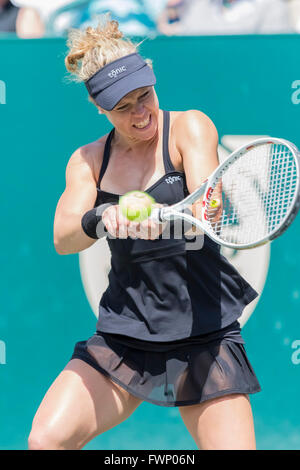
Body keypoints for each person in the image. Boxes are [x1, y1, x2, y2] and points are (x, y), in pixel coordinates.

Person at [28, 16, 261, 450]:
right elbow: (63, 238)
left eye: (145, 96)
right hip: (125, 335)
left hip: (205, 330)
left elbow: (208, 203)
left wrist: (188, 209)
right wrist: (103, 218)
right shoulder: (87, 160)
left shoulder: (190, 126)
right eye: (123, 106)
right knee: (45, 441)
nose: (141, 113)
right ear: (100, 108)